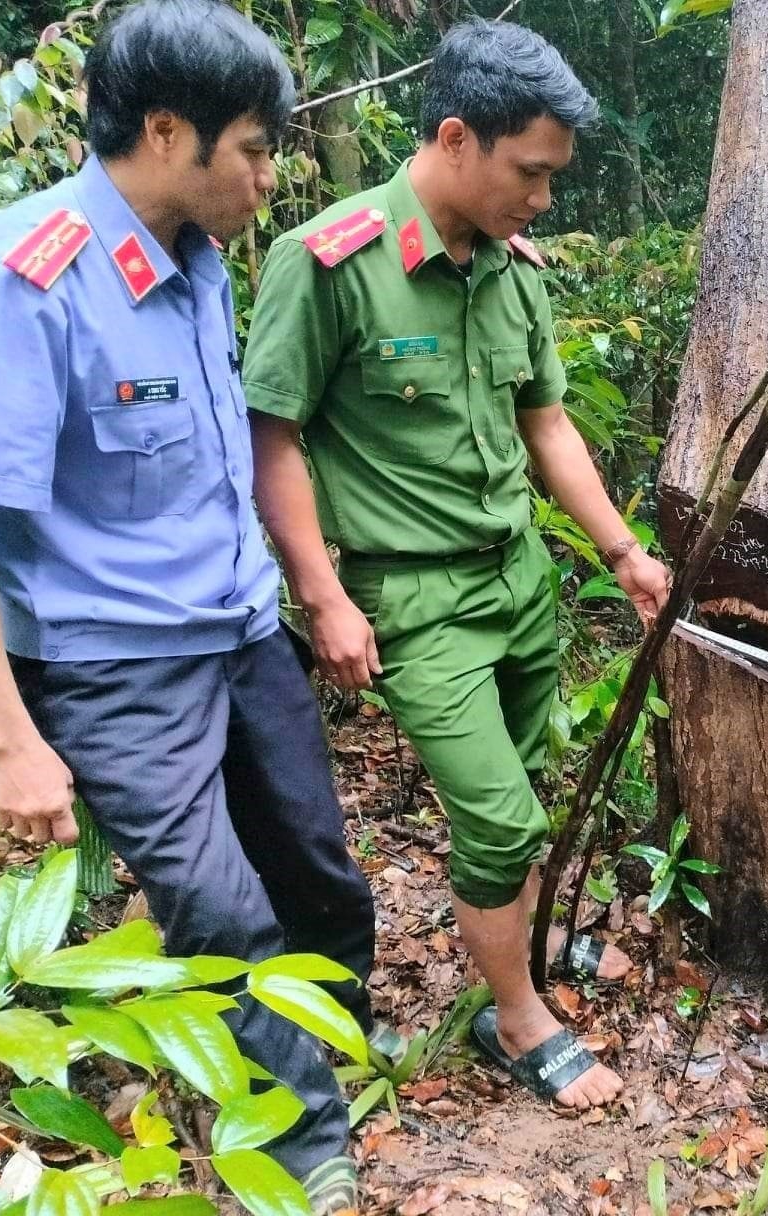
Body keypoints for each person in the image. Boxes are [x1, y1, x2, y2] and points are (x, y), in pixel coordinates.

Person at [0, 3, 373, 1210]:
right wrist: (13, 742)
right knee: (216, 908)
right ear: (169, 132)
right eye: (256, 151)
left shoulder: (198, 257)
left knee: (317, 870)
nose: (271, 178)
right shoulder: (29, 277)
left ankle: (332, 1049)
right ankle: (299, 1141)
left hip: (237, 629)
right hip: (113, 666)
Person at [243, 18, 670, 1111]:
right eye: (529, 172)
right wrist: (323, 594)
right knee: (500, 819)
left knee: (522, 790)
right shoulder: (328, 262)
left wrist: (620, 549)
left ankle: (510, 962)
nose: (543, 198)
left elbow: (548, 425)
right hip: (414, 593)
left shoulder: (511, 268)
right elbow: (272, 439)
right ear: (453, 137)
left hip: (518, 576)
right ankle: (516, 1018)